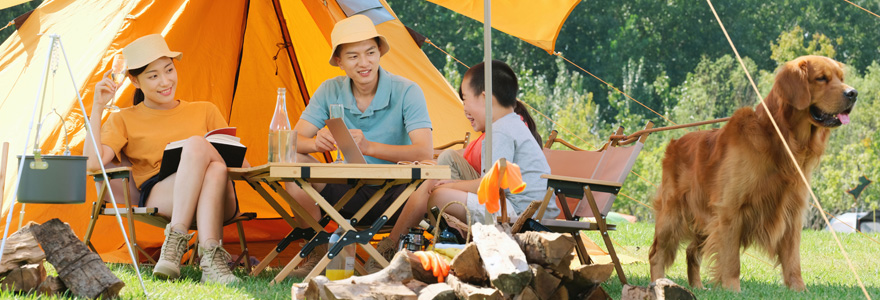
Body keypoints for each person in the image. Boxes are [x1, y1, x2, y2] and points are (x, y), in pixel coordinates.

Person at [85, 34, 242, 285]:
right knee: (210, 165)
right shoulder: (123, 118)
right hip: (163, 193)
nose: (165, 81)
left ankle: (176, 239)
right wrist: (97, 108)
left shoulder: (206, 110)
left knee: (207, 159)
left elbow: (241, 165)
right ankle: (213, 263)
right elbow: (93, 164)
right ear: (134, 80)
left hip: (222, 198)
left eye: (169, 70)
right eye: (153, 75)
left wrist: (206, 150)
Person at [284, 15, 433, 276]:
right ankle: (318, 253)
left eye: (370, 53)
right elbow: (291, 142)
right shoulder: (329, 90)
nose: (364, 63)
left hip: (395, 196)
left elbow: (424, 151)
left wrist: (369, 147)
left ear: (379, 53)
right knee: (290, 163)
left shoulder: (408, 90)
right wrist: (315, 143)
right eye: (353, 56)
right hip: (344, 191)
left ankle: (387, 249)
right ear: (339, 62)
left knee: (430, 174)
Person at [393, 60, 560, 242]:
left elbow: (490, 187)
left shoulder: (501, 131)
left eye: (465, 99)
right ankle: (459, 241)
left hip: (520, 213)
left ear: (485, 98)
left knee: (439, 197)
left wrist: (450, 186)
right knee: (449, 160)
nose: (464, 109)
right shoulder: (508, 124)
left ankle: (453, 248)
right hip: (513, 205)